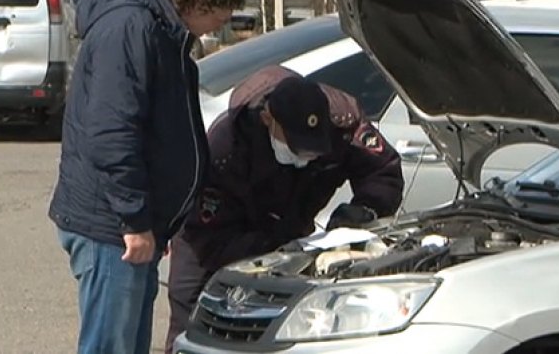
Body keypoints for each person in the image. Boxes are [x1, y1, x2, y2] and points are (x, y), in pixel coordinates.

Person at [48, 0, 246, 354]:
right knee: (110, 346)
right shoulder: (131, 29)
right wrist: (135, 221)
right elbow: (111, 134)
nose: (216, 28)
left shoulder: (162, 34)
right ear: (199, 1)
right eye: (219, 18)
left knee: (128, 344)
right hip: (111, 228)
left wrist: (158, 221)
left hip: (132, 225)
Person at [164, 65, 405, 353]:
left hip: (289, 232)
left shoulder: (344, 123)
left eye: (314, 151)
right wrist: (274, 252)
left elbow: (382, 172)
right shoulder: (226, 148)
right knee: (196, 321)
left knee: (281, 324)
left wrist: (366, 210)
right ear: (268, 119)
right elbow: (209, 234)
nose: (305, 158)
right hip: (213, 242)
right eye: (297, 147)